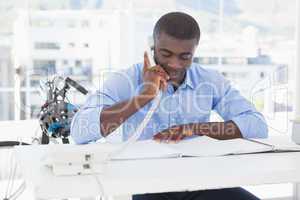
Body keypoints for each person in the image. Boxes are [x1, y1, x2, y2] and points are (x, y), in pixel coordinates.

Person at [71, 12, 267, 200]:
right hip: (149, 186)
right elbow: (80, 131)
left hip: (203, 181)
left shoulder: (209, 80)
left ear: (194, 52)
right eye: (166, 54)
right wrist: (143, 97)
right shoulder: (125, 79)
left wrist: (195, 129)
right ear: (152, 48)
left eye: (185, 56)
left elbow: (257, 124)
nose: (175, 64)